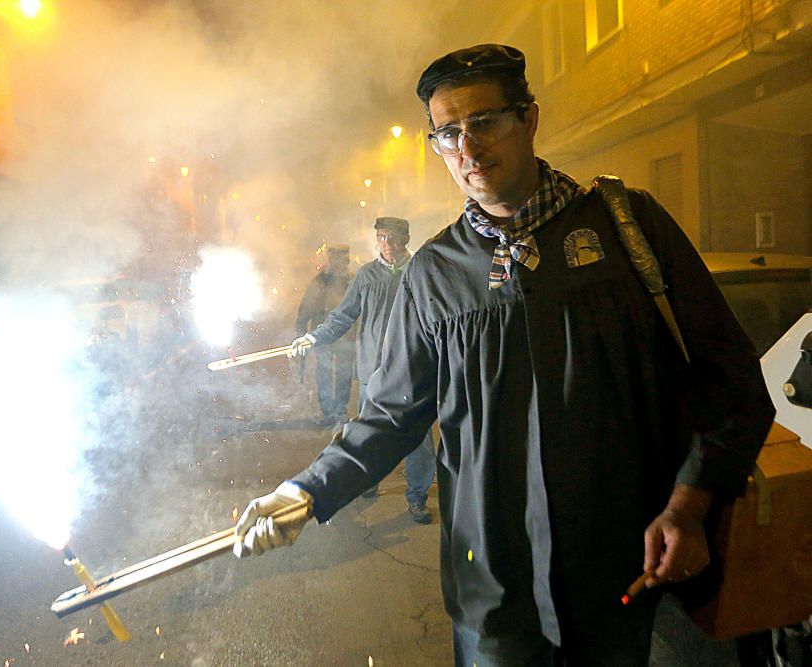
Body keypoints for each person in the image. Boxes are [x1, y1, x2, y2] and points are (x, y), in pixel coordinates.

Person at [233, 43, 775, 666]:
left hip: (616, 571)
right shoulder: (433, 273)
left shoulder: (626, 228)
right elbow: (392, 414)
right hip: (491, 587)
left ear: (529, 119)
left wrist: (689, 504)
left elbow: (727, 375)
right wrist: (306, 492)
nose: (467, 148)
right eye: (446, 134)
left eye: (484, 122)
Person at [290, 217, 437, 524]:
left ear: (405, 239)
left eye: (392, 237)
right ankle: (368, 481)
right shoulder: (366, 276)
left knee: (417, 436)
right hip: (372, 370)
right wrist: (314, 336)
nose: (386, 244)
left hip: (410, 371)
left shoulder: (418, 272)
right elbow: (343, 316)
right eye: (381, 237)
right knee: (368, 433)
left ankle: (418, 495)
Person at [294, 245, 355, 427]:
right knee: (325, 371)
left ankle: (340, 410)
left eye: (341, 259)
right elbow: (307, 304)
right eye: (334, 258)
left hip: (347, 335)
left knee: (344, 373)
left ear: (346, 260)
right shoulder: (320, 281)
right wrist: (302, 326)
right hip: (322, 335)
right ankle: (328, 410)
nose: (338, 263)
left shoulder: (353, 281)